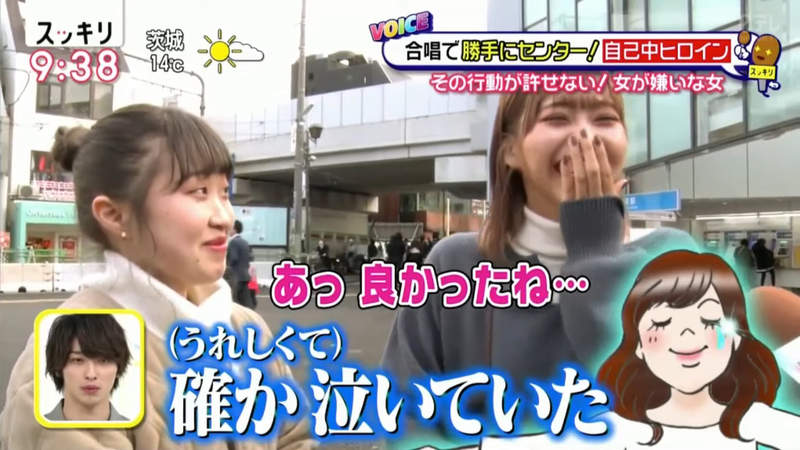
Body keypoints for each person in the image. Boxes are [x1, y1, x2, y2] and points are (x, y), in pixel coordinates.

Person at [0, 104, 312, 449]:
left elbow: (295, 438)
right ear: (113, 215)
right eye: (199, 192)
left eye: (224, 192)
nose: (225, 217)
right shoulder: (70, 362)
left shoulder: (245, 326)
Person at [381, 86, 697, 407]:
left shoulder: (672, 258)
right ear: (510, 151)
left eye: (605, 119)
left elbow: (685, 405)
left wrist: (595, 253)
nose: (586, 135)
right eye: (557, 118)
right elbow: (404, 409)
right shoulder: (455, 264)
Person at [597, 250, 798, 449]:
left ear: (736, 338)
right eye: (662, 322)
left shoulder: (751, 420)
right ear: (638, 344)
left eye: (710, 320)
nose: (687, 333)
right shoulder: (619, 429)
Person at [44, 314, 131, 422]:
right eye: (78, 360)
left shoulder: (139, 431)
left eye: (104, 361)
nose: (91, 374)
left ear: (118, 368)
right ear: (58, 367)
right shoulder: (30, 429)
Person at [226, 219, 254, 309]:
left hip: (236, 276)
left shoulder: (233, 242)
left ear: (234, 229)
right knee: (246, 302)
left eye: (230, 228)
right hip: (245, 276)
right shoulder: (245, 242)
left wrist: (226, 266)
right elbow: (250, 257)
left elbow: (233, 258)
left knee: (234, 301)